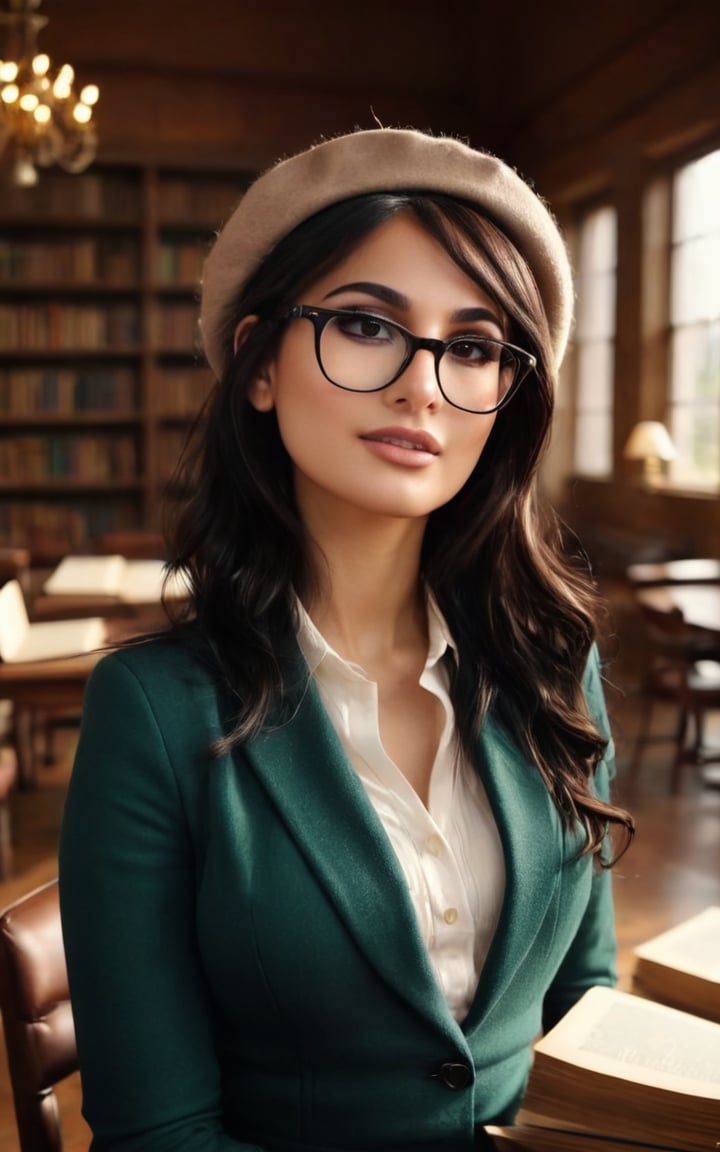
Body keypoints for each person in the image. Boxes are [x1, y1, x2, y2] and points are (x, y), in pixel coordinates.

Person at [59, 127, 634, 1152]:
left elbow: (582, 1002)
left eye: (470, 346)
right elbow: (161, 1135)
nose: (423, 385)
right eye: (368, 324)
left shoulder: (555, 666)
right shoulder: (150, 712)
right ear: (259, 364)